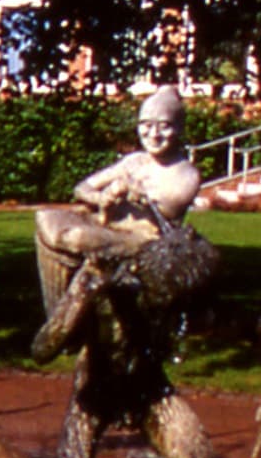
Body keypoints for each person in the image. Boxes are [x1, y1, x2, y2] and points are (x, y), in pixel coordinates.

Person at [31, 202, 224, 458]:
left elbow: (240, 324)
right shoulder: (103, 285)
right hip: (97, 387)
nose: (174, 311)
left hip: (149, 390)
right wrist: (80, 296)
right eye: (166, 300)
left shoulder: (180, 291)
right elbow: (43, 349)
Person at [34, 87, 201, 310]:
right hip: (108, 224)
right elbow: (82, 187)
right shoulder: (134, 161)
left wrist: (135, 192)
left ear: (179, 128)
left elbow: (166, 210)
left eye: (164, 126)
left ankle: (70, 318)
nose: (154, 134)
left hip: (145, 240)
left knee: (75, 236)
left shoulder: (185, 173)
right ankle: (62, 314)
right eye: (147, 125)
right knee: (47, 219)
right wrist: (102, 197)